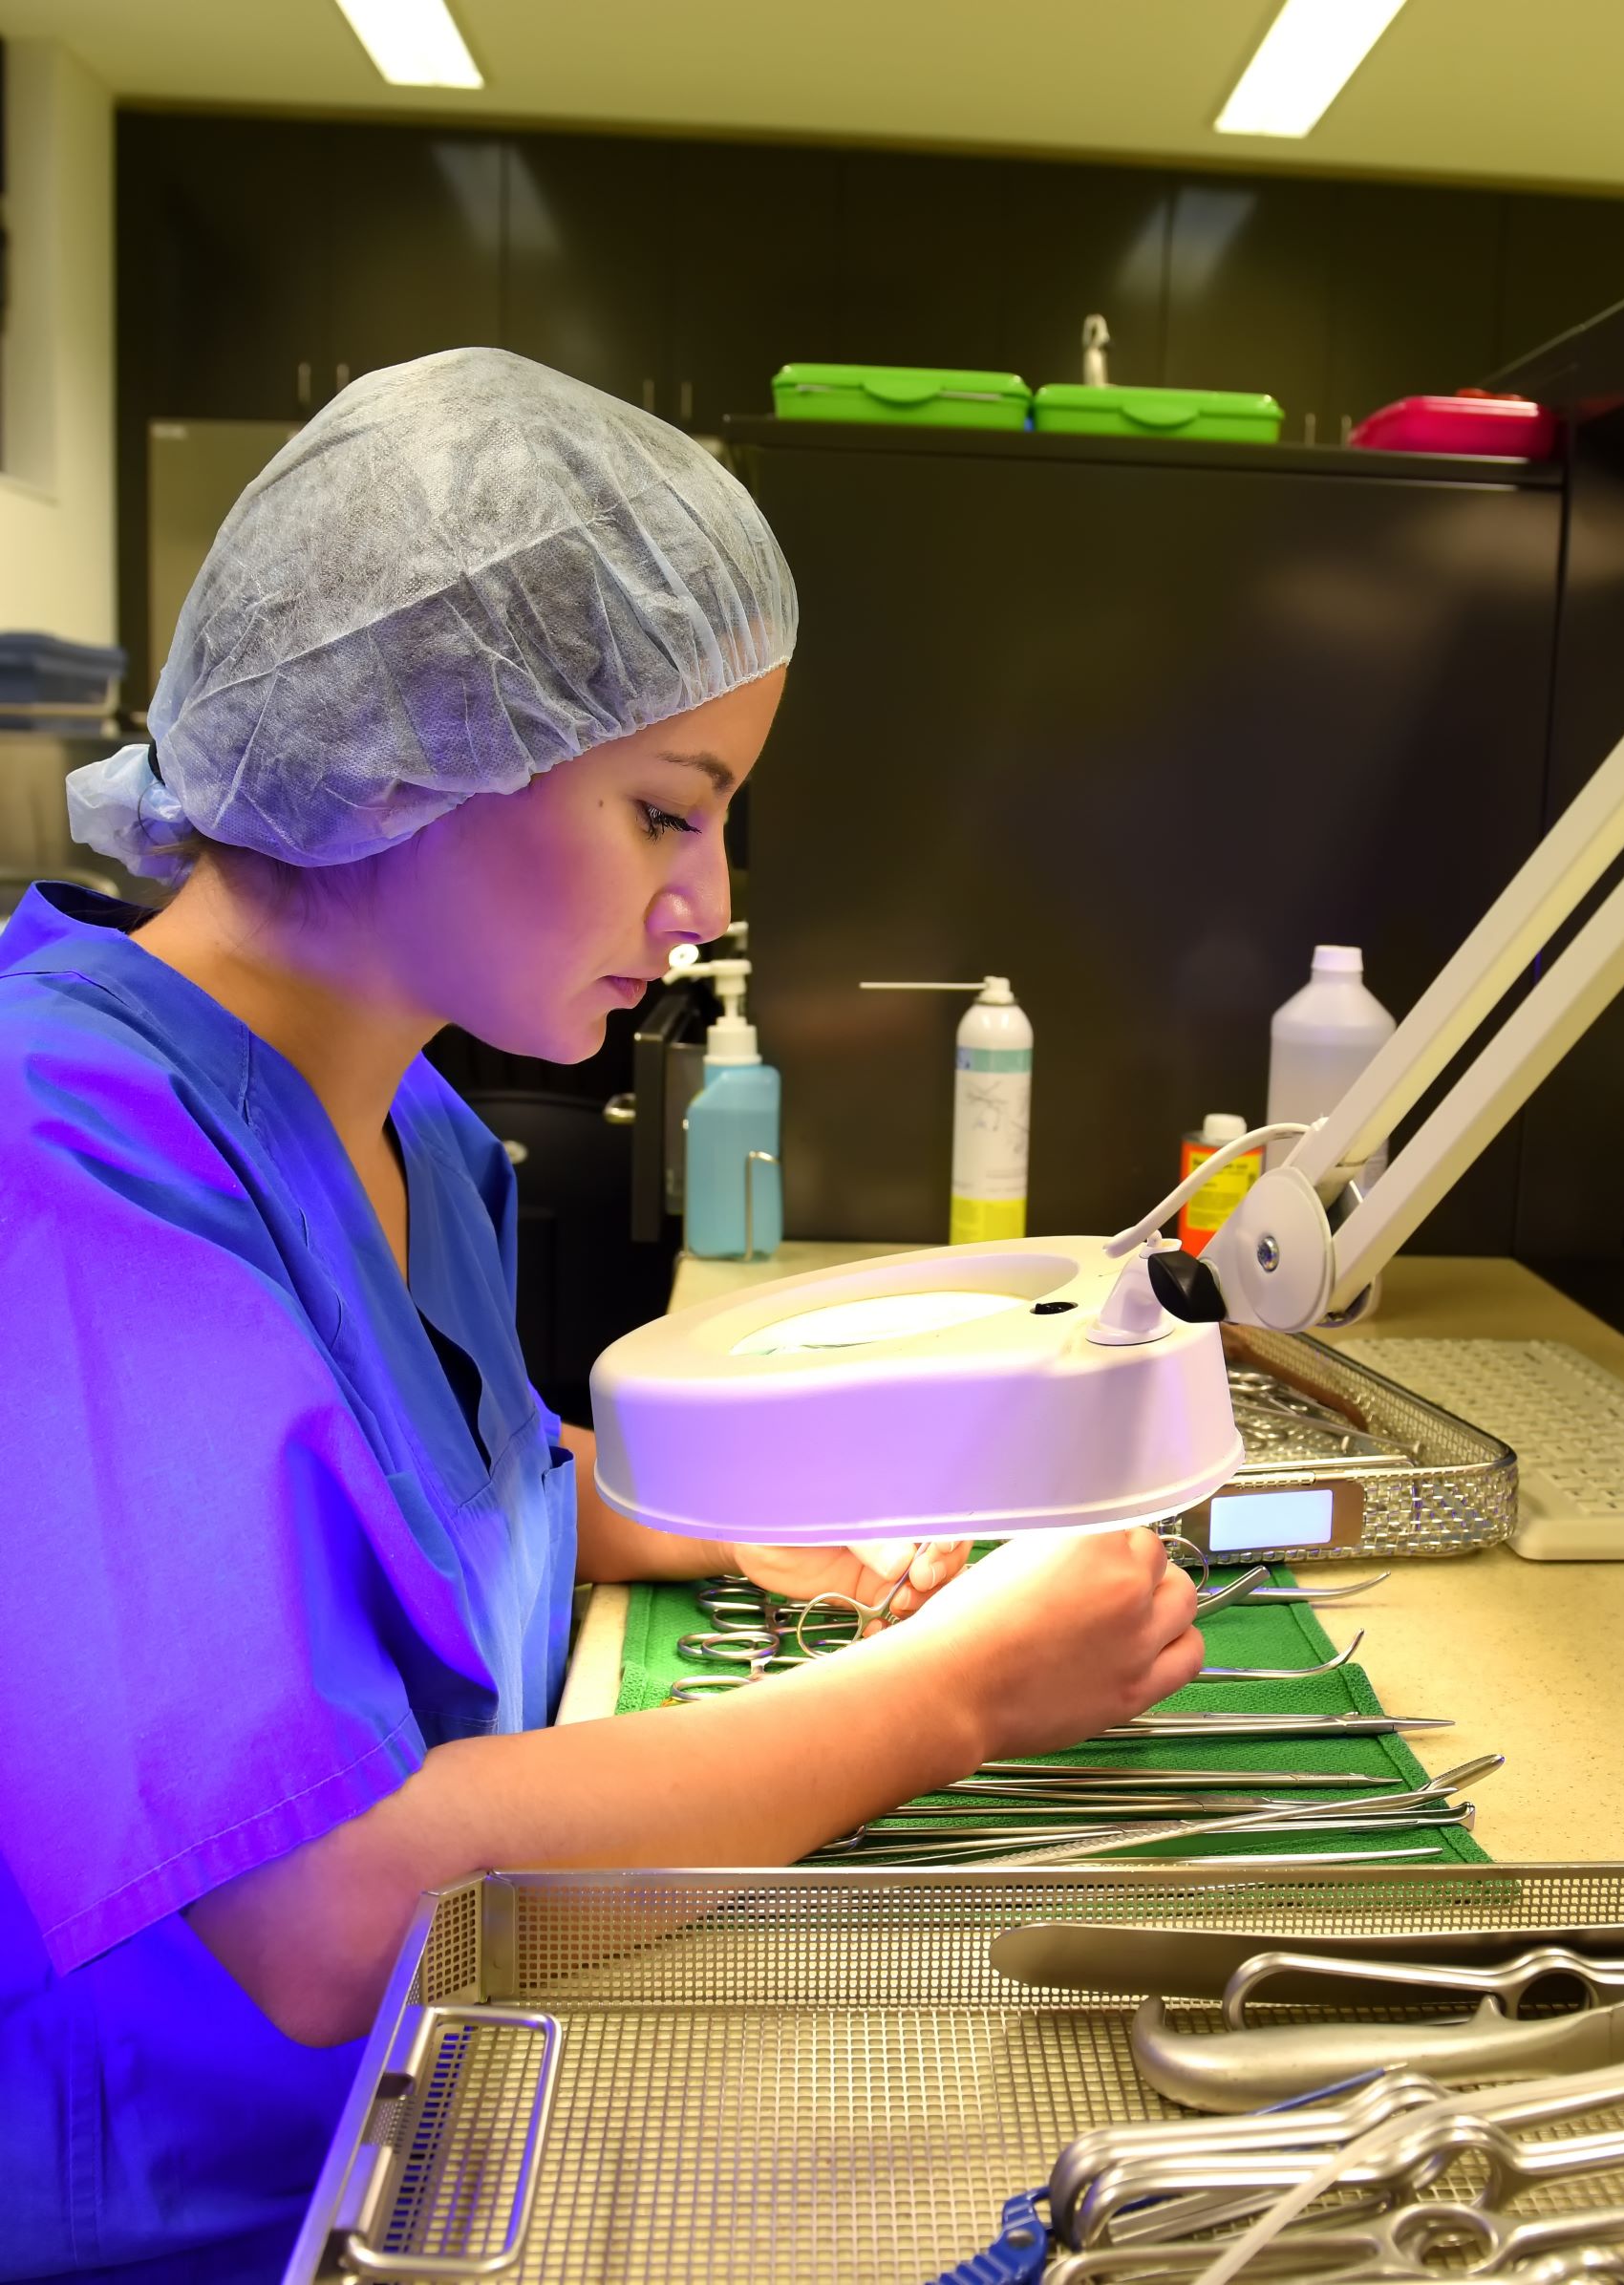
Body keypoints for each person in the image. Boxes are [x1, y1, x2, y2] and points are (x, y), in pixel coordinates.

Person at [0, 349, 1203, 2282]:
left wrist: (736, 1529)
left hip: (430, 2114)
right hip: (204, 2221)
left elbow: (444, 1473)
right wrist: (953, 1691)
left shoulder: (404, 1110)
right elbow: (331, 1914)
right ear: (408, 745)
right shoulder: (62, 1167)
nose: (706, 900)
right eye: (666, 810)